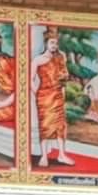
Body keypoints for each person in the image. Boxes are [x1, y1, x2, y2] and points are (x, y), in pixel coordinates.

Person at [31, 26, 74, 167]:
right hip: (44, 96)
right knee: (45, 126)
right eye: (51, 43)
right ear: (46, 43)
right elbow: (29, 79)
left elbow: (63, 78)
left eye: (56, 43)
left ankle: (62, 154)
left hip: (57, 94)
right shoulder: (37, 60)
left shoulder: (61, 57)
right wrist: (36, 91)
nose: (54, 46)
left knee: (60, 125)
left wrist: (62, 94)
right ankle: (44, 156)